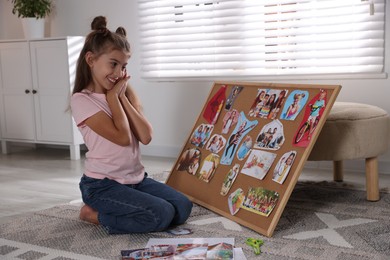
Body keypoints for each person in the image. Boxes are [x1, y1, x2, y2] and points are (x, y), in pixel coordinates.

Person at [70, 16, 192, 234]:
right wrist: (114, 99)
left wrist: (122, 97)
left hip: (136, 179)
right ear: (91, 60)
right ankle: (93, 214)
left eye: (123, 66)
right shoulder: (82, 100)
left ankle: (130, 204)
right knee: (161, 214)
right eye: (113, 64)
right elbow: (123, 137)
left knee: (183, 207)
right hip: (102, 185)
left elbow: (146, 136)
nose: (118, 73)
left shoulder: (121, 95)